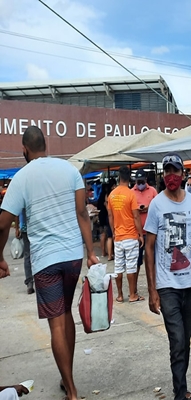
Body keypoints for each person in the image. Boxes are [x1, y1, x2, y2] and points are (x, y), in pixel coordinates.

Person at [0, 125, 99, 400]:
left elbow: (3, 222)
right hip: (72, 257)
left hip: (45, 260)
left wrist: (0, 257)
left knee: (56, 324)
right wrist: (90, 252)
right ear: (47, 145)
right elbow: (82, 213)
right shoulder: (69, 170)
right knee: (65, 314)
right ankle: (67, 379)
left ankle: (72, 392)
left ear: (24, 149)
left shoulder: (22, 177)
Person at [145, 153, 191, 400]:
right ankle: (179, 393)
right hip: (167, 286)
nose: (170, 176)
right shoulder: (156, 204)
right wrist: (152, 289)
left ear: (183, 174)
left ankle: (181, 387)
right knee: (177, 341)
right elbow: (149, 248)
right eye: (166, 172)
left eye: (175, 171)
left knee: (185, 341)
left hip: (188, 284)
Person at [108, 166, 145, 304]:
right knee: (131, 266)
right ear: (129, 178)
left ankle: (119, 295)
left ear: (119, 177)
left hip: (118, 237)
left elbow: (110, 216)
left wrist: (114, 232)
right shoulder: (131, 194)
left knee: (118, 267)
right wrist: (140, 234)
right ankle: (132, 295)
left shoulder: (112, 195)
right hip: (130, 236)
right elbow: (136, 216)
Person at [133, 169, 158, 271]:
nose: (140, 184)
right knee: (136, 262)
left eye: (142, 182)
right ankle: (134, 287)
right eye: (138, 182)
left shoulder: (152, 191)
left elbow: (158, 206)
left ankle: (153, 284)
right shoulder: (131, 192)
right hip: (137, 232)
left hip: (150, 231)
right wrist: (136, 209)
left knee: (151, 259)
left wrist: (149, 207)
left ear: (146, 180)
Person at [15, 210, 33, 294]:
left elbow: (16, 211)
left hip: (24, 227)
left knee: (27, 255)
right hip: (36, 226)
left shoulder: (21, 196)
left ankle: (29, 283)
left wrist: (17, 228)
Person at [97, 182, 114, 261]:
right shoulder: (109, 196)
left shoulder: (102, 196)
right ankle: (110, 254)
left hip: (102, 217)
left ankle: (105, 252)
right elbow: (109, 210)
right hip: (108, 217)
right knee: (108, 236)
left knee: (105, 235)